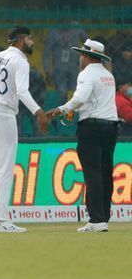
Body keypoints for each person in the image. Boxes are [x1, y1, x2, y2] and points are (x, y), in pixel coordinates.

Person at [0, 27, 48, 233]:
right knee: (5, 167)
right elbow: (22, 91)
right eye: (30, 38)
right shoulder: (21, 61)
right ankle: (1, 219)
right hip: (3, 114)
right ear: (21, 40)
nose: (32, 42)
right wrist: (38, 111)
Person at [46, 40, 120, 233]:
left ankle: (96, 220)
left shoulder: (86, 74)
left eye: (81, 55)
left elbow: (80, 98)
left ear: (87, 56)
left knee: (92, 173)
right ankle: (103, 216)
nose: (80, 59)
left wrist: (62, 109)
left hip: (92, 128)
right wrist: (75, 110)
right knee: (105, 172)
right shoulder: (107, 75)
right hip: (111, 127)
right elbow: (93, 101)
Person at [44, 20, 88, 96]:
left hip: (75, 67)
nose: (65, 20)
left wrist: (85, 63)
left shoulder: (77, 28)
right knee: (61, 94)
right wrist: (48, 71)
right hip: (59, 69)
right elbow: (46, 53)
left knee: (76, 93)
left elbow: (88, 43)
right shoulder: (54, 31)